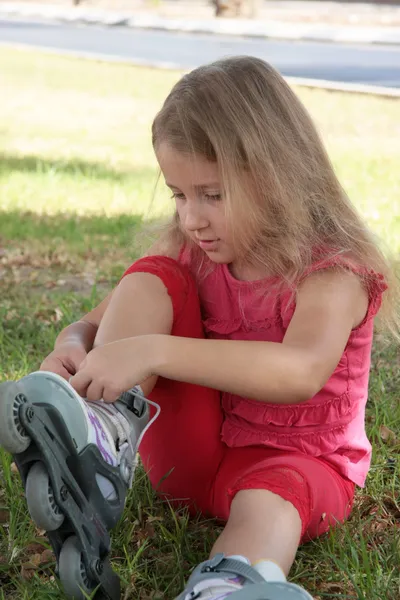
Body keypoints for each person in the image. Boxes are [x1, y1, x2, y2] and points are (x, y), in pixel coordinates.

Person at [4, 56, 399, 599]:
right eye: (179, 194)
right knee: (150, 279)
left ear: (278, 175)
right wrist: (72, 348)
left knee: (266, 500)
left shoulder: (332, 271)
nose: (192, 218)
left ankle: (230, 584)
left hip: (299, 465)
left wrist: (155, 352)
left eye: (212, 195)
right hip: (195, 459)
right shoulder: (192, 250)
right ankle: (97, 437)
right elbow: (92, 324)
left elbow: (300, 371)